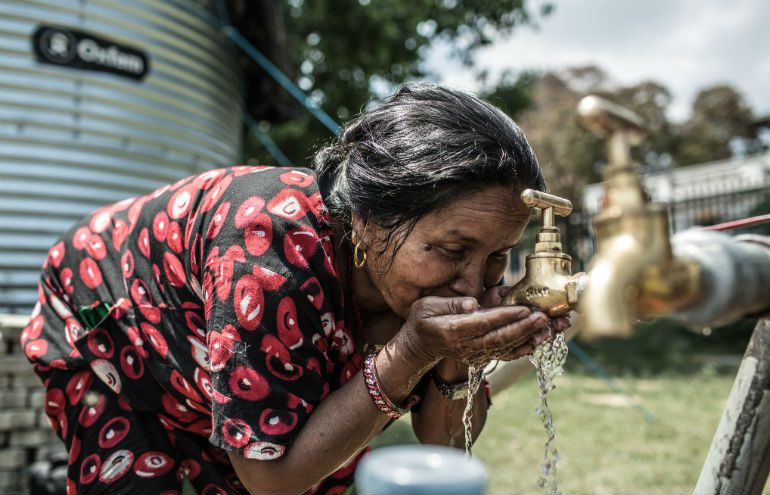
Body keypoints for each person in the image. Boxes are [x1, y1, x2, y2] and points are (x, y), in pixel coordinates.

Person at [21, 83, 568, 495]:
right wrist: (413, 351)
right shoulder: (265, 250)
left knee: (319, 461)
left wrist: (458, 358)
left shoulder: (409, 277)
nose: (472, 284)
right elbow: (272, 477)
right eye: (451, 251)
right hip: (106, 328)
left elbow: (448, 445)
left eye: (497, 256)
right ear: (369, 219)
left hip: (212, 356)